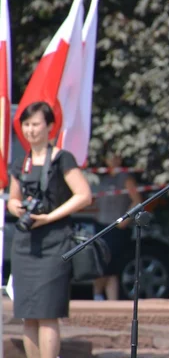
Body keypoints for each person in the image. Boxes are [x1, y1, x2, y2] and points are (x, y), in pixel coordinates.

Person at [7, 101, 92, 358]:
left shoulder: (62, 159)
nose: (31, 130)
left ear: (50, 127)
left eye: (36, 124)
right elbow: (12, 198)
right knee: (28, 315)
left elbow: (84, 195)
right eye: (26, 125)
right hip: (25, 244)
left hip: (55, 243)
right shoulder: (21, 163)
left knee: (47, 314)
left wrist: (50, 216)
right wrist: (17, 208)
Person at [92, 148, 142, 301]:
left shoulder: (126, 178)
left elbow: (137, 200)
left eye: (116, 157)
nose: (113, 160)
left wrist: (125, 220)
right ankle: (97, 297)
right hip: (101, 225)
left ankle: (111, 302)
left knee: (112, 266)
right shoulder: (102, 178)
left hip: (118, 228)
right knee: (99, 264)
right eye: (109, 157)